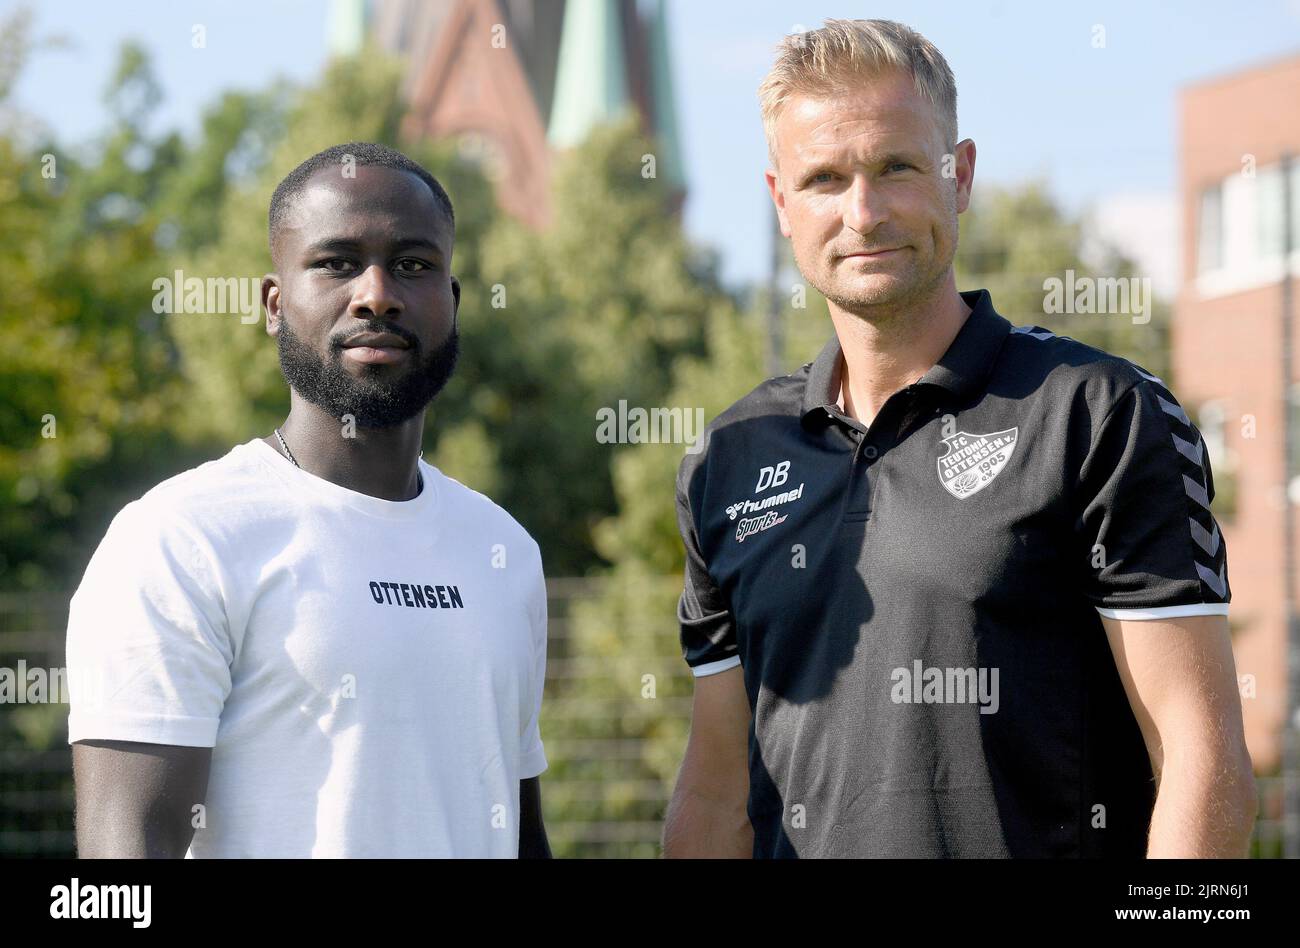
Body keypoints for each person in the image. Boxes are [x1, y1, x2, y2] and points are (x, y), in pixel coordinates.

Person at [663, 19, 1256, 858]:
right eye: (825, 178)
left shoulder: (1099, 415)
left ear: (960, 174)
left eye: (895, 167)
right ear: (781, 203)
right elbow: (714, 792)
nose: (862, 212)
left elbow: (1203, 760)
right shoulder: (727, 460)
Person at [67, 142, 550, 858]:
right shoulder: (180, 538)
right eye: (337, 263)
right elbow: (125, 858)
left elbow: (518, 832)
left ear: (451, 303)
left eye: (413, 265)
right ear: (273, 303)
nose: (376, 293)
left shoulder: (502, 550)